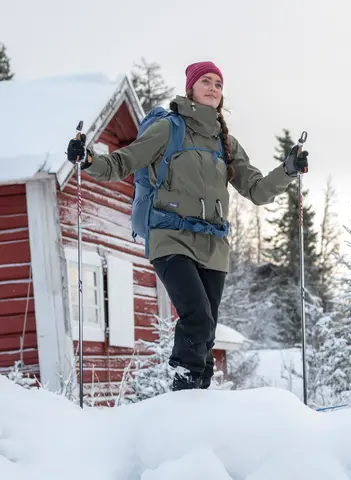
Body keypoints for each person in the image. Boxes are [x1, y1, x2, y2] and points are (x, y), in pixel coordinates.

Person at [67, 61, 309, 391]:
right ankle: (183, 388)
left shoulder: (227, 143)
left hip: (213, 246)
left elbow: (257, 190)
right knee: (197, 317)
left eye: (218, 84)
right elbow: (123, 162)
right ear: (191, 88)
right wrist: (90, 159)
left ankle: (198, 398)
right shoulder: (169, 129)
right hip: (171, 237)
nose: (213, 87)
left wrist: (288, 169)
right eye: (205, 81)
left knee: (206, 329)